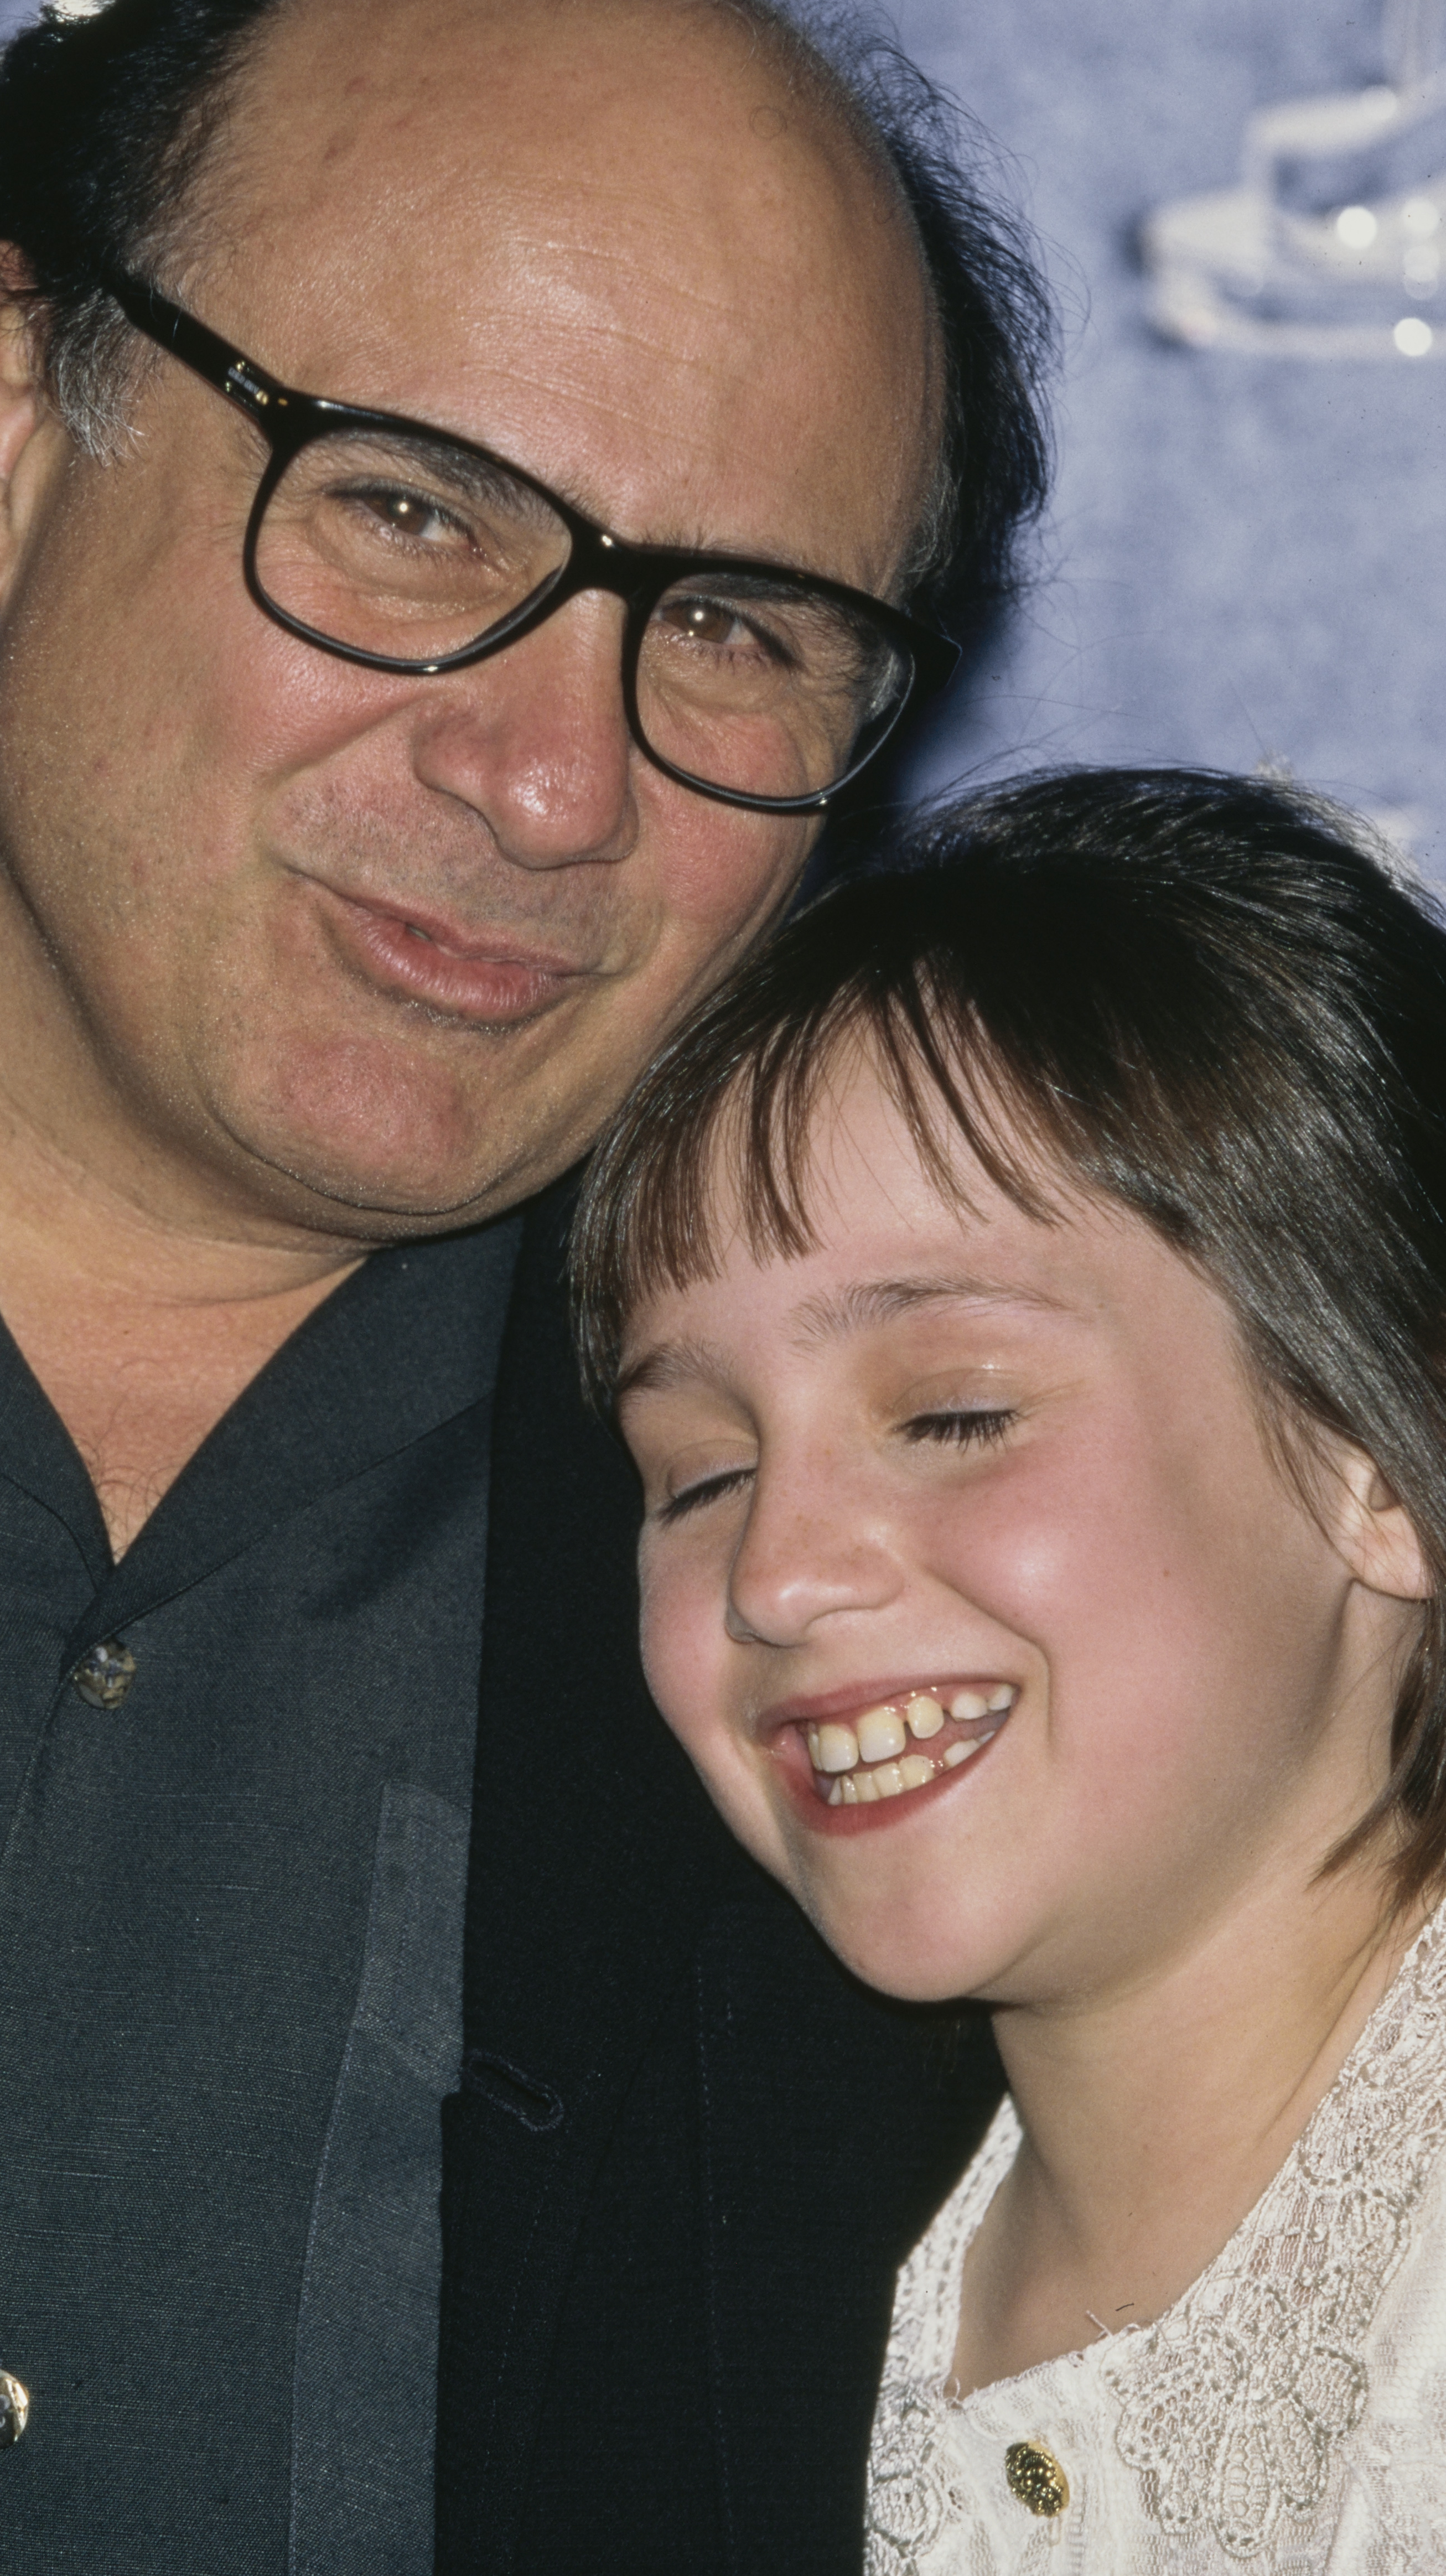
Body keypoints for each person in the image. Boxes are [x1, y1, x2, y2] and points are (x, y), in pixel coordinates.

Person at [0, 0, 1054, 2576]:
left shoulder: (986, 1456)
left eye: (739, 627)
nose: (553, 786)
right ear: (1, 421)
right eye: (413, 511)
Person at [572, 765, 1446, 2571]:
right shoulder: (720, 2299)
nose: (782, 1575)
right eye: (700, 1474)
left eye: (952, 1414)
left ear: (1383, 1454)